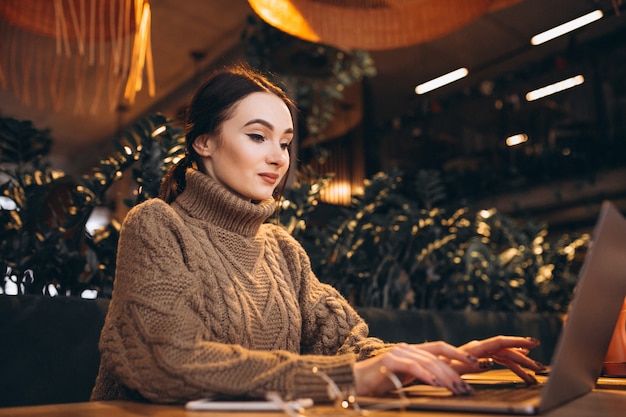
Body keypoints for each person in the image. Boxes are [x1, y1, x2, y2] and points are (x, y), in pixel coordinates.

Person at [90, 64, 546, 404]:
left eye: (285, 143)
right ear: (203, 142)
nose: (278, 158)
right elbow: (168, 362)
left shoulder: (281, 248)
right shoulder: (156, 224)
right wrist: (340, 378)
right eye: (257, 136)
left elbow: (347, 346)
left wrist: (431, 360)